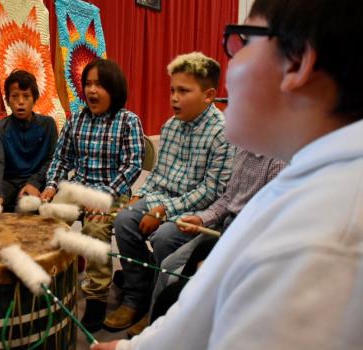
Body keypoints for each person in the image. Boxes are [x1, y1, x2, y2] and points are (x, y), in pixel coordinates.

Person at [93, 0, 363, 349]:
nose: (229, 66)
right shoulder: (307, 183)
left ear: (297, 61)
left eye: (243, 41)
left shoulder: (320, 242)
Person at [105, 52, 235, 332]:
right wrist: (143, 196)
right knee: (124, 219)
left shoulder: (222, 134)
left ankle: (159, 307)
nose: (174, 97)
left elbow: (212, 190)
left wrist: (164, 212)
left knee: (166, 237)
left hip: (199, 211)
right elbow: (159, 175)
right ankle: (135, 297)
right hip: (164, 200)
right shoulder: (170, 126)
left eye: (184, 91)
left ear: (209, 95)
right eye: (172, 90)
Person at [41, 58, 145, 332]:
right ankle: (55, 280)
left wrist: (101, 198)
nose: (92, 90)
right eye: (87, 84)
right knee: (49, 217)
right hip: (80, 186)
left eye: (99, 84)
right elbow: (62, 159)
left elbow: (133, 165)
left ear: (114, 88)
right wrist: (52, 185)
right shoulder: (76, 118)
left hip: (113, 191)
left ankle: (97, 296)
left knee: (95, 226)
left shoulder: (128, 121)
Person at [144, 148, 286, 330]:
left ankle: (175, 329)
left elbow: (270, 219)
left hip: (244, 238)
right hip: (225, 228)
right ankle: (154, 327)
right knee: (167, 267)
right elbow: (228, 198)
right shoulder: (244, 148)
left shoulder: (278, 161)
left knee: (176, 282)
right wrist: (202, 219)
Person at [0, 70, 58, 213]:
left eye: (26, 96)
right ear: (8, 101)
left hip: (35, 182)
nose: (21, 102)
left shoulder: (47, 125)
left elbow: (52, 160)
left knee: (25, 210)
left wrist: (34, 183)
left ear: (35, 99)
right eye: (15, 96)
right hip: (7, 182)